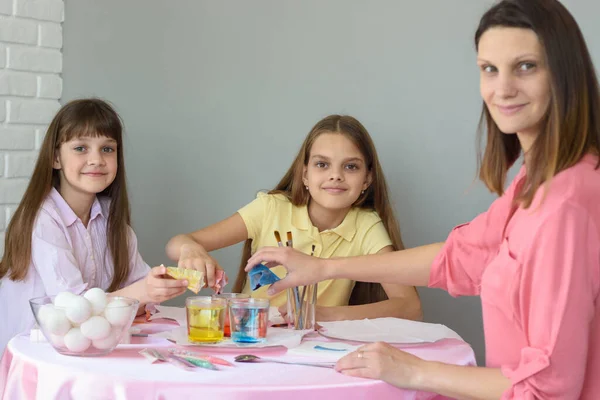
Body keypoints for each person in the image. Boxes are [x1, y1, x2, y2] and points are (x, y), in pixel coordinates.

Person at [244, 0, 600, 398]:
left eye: (526, 66)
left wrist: (414, 372)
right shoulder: (534, 184)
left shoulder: (567, 201)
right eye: (489, 69)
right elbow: (458, 259)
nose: (503, 89)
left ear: (564, 72)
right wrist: (323, 268)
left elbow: (549, 388)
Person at [166, 115, 422, 322]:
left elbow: (409, 307)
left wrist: (326, 315)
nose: (336, 175)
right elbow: (178, 242)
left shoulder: (367, 226)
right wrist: (190, 249)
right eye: (322, 164)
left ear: (367, 179)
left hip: (319, 349)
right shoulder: (270, 208)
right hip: (251, 337)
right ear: (305, 175)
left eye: (351, 166)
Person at [0, 99, 188, 355]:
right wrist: (141, 293)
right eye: (80, 148)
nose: (96, 159)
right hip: (36, 354)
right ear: (55, 158)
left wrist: (163, 283)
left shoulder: (112, 218)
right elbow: (72, 312)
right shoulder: (42, 219)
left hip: (85, 349)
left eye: (107, 149)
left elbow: (139, 290)